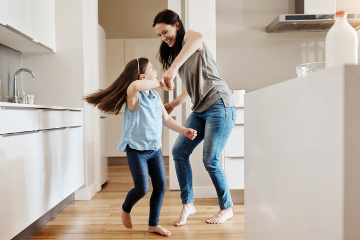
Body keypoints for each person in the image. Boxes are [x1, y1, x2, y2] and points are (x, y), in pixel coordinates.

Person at [84, 58, 197, 237]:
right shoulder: (134, 96)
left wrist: (184, 131)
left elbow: (166, 120)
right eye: (153, 69)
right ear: (143, 76)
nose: (156, 72)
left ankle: (153, 224)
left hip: (154, 150)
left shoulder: (155, 96)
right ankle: (125, 208)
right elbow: (135, 85)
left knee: (160, 186)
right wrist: (160, 83)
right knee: (143, 187)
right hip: (136, 150)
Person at [153, 9, 237, 226]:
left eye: (165, 32)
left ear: (177, 25)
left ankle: (226, 207)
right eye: (160, 35)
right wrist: (172, 103)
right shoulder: (177, 53)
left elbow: (199, 37)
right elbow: (192, 88)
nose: (164, 38)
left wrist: (172, 69)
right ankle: (188, 204)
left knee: (210, 159)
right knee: (178, 151)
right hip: (200, 109)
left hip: (219, 104)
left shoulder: (190, 37)